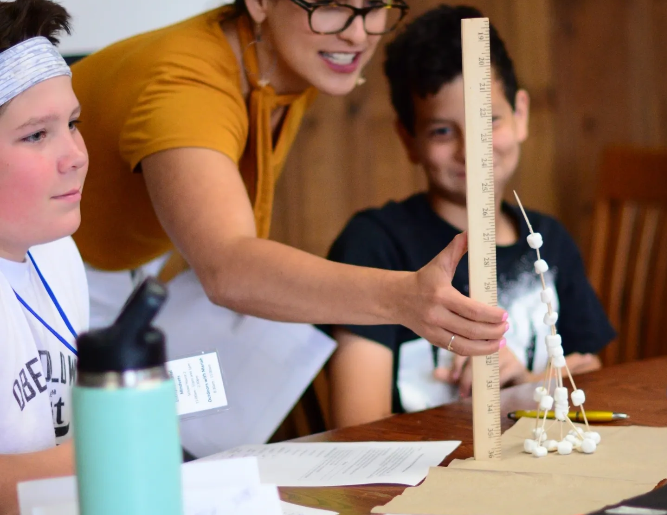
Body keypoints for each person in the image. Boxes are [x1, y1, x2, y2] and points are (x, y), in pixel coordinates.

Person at [70, 5, 508, 374]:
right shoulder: (186, 88)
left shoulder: (289, 55)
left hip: (124, 264)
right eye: (331, 4)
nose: (358, 34)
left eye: (374, 5)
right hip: (48, 268)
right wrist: (403, 298)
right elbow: (228, 268)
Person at [324, 5, 616, 429]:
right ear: (408, 139)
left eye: (488, 120)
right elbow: (358, 423)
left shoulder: (548, 240)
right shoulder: (374, 245)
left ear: (521, 114)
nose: (471, 149)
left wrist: (525, 385)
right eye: (442, 131)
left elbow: (590, 378)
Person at [0, 1, 89, 512]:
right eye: (36, 134)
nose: (76, 155)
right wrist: (119, 438)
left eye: (73, 123)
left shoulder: (58, 251)